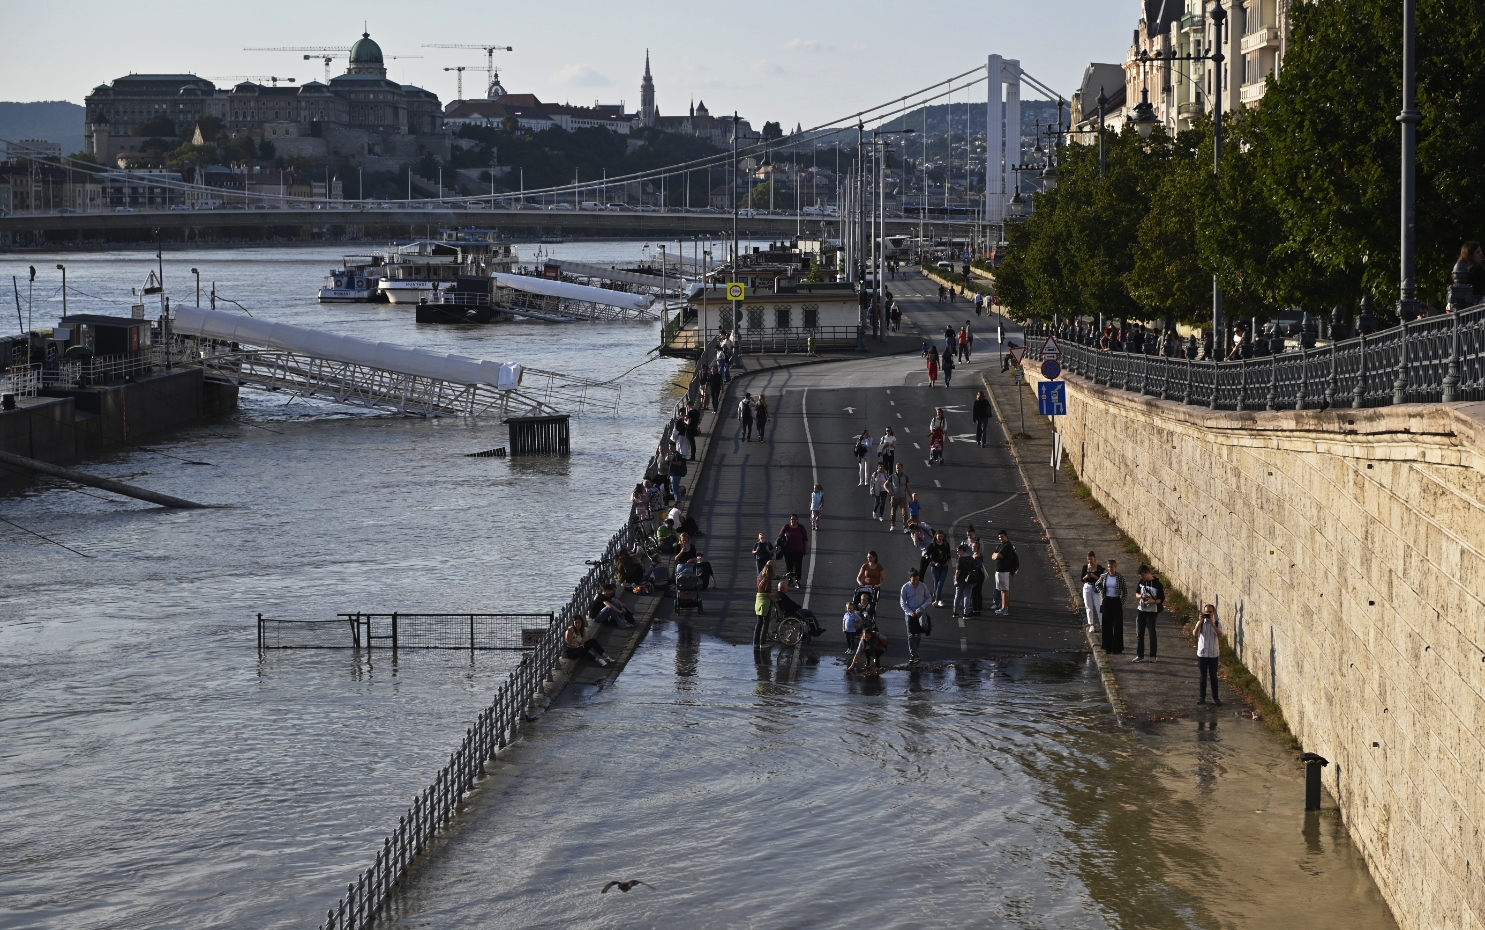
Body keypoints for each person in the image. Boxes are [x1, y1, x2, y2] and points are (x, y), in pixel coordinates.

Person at [1133, 564, 1165, 663]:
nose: (1142, 578)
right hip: (1141, 610)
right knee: (1139, 633)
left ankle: (1153, 655)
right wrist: (1141, 596)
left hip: (1152, 611)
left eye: (1143, 575)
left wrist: (1153, 601)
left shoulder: (1157, 584)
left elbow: (1161, 599)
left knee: (1152, 633)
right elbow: (1136, 594)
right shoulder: (1142, 582)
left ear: (1147, 573)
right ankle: (1140, 655)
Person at [900, 567, 932, 662]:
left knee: (918, 635)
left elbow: (928, 598)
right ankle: (913, 654)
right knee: (911, 634)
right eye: (913, 580)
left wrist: (922, 608)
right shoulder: (905, 587)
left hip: (920, 613)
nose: (915, 582)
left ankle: (915, 652)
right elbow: (902, 602)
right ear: (910, 578)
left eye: (917, 579)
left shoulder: (923, 586)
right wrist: (910, 612)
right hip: (910, 613)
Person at [1196, 603, 1223, 705]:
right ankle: (1202, 697)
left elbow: (1220, 635)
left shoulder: (1217, 623)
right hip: (1202, 654)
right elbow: (1195, 633)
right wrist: (1200, 622)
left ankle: (1215, 697)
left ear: (1213, 612)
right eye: (1206, 612)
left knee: (1213, 677)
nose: (1208, 613)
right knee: (1203, 677)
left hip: (1213, 654)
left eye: (1210, 612)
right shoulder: (1200, 623)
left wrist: (1212, 624)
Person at [1099, 559, 1126, 654]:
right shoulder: (1104, 576)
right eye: (1109, 567)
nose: (1111, 568)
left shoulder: (1120, 577)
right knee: (1107, 624)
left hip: (1116, 601)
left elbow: (1125, 591)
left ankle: (1117, 648)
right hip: (1107, 601)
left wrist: (1121, 602)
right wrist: (1102, 592)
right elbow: (1097, 584)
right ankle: (1107, 647)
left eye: (1113, 567)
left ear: (1116, 567)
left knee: (1117, 625)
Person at [990, 529, 1018, 616]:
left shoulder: (1008, 546)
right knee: (1002, 590)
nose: (1000, 538)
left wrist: (997, 555)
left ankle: (1005, 609)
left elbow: (997, 555)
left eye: (1002, 537)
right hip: (999, 571)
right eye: (999, 537)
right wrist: (996, 555)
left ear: (1006, 536)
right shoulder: (1000, 545)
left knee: (1005, 590)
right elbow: (993, 556)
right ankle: (1002, 607)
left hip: (1004, 571)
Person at [777, 513, 809, 582]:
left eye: (794, 519)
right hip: (788, 551)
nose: (793, 521)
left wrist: (807, 548)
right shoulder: (786, 527)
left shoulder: (801, 528)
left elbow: (805, 539)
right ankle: (790, 579)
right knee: (789, 565)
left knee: (797, 566)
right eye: (792, 519)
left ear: (797, 520)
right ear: (790, 520)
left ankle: (797, 580)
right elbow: (780, 537)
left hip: (799, 550)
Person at [754, 560, 779, 646]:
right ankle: (762, 641)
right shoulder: (768, 580)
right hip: (765, 602)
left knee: (759, 622)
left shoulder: (760, 578)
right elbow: (767, 593)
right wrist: (774, 599)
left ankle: (756, 641)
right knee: (766, 622)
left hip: (758, 601)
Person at [926, 530, 952, 606]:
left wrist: (948, 561)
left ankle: (938, 599)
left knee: (940, 583)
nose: (940, 538)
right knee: (936, 582)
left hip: (944, 567)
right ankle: (937, 597)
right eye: (939, 536)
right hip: (935, 567)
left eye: (941, 536)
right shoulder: (932, 545)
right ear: (936, 536)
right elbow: (927, 556)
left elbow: (949, 554)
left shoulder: (946, 544)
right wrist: (934, 562)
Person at [1080, 551, 1103, 633]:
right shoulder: (1085, 567)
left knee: (1099, 607)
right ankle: (1091, 625)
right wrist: (1086, 577)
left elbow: (1101, 579)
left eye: (1091, 559)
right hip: (1087, 587)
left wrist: (1094, 576)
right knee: (1088, 607)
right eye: (1088, 559)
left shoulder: (1099, 567)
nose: (1090, 561)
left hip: (1096, 588)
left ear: (1094, 559)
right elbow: (1082, 579)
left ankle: (1102, 624)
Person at [952, 542, 977, 618]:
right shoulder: (971, 558)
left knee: (958, 596)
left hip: (960, 581)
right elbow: (974, 570)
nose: (957, 553)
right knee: (967, 596)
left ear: (962, 551)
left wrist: (955, 580)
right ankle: (966, 613)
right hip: (969, 580)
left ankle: (955, 612)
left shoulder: (960, 560)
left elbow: (958, 571)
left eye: (958, 551)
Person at [887, 463, 912, 531]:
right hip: (894, 497)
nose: (898, 469)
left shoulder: (905, 477)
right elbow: (885, 485)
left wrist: (912, 497)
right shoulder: (892, 476)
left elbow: (908, 488)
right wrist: (888, 491)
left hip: (902, 498)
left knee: (905, 513)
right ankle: (892, 525)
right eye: (897, 468)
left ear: (902, 469)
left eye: (899, 468)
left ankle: (905, 527)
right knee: (893, 513)